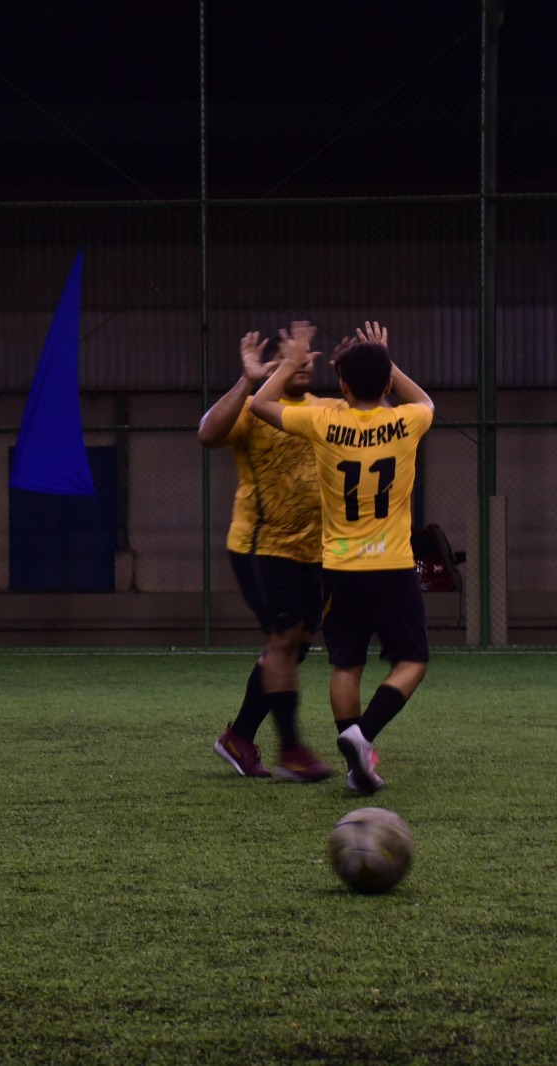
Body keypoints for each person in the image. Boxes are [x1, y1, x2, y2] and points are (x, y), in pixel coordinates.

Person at [249, 321, 434, 793]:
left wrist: (290, 362)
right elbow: (426, 402)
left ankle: (357, 767)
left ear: (343, 385)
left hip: (340, 568)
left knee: (345, 665)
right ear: (389, 382)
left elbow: (260, 404)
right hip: (391, 567)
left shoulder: (326, 420)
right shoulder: (409, 420)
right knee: (412, 659)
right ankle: (363, 737)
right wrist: (385, 359)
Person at [197, 327, 337, 782]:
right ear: (273, 363)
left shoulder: (325, 409)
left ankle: (238, 737)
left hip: (314, 551)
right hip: (261, 546)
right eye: (290, 356)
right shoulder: (253, 409)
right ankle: (293, 750)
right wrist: (248, 381)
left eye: (307, 357)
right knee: (282, 642)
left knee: (294, 648)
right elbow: (208, 433)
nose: (302, 363)